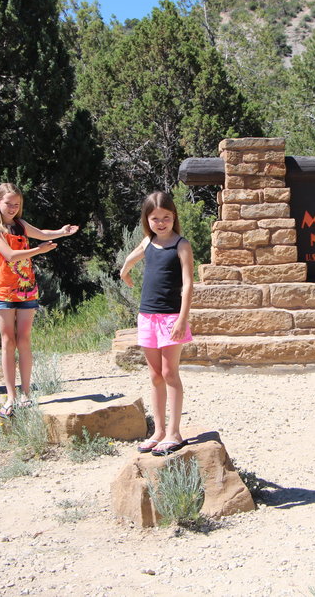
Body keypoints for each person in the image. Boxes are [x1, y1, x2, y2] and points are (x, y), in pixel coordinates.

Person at [0, 183, 79, 418]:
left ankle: (26, 394)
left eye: (17, 205)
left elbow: (42, 233)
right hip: (5, 291)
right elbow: (9, 255)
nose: (13, 208)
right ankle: (10, 396)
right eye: (8, 204)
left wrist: (61, 232)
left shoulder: (21, 225)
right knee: (8, 341)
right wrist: (39, 250)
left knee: (24, 340)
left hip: (27, 290)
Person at [119, 191, 194, 456]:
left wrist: (182, 319)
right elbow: (133, 255)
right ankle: (159, 431)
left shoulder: (181, 245)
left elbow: (188, 285)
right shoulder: (148, 242)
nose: (161, 222)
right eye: (155, 218)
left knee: (170, 373)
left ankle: (175, 432)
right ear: (146, 220)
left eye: (166, 217)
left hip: (172, 317)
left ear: (174, 217)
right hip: (147, 317)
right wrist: (124, 271)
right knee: (154, 375)